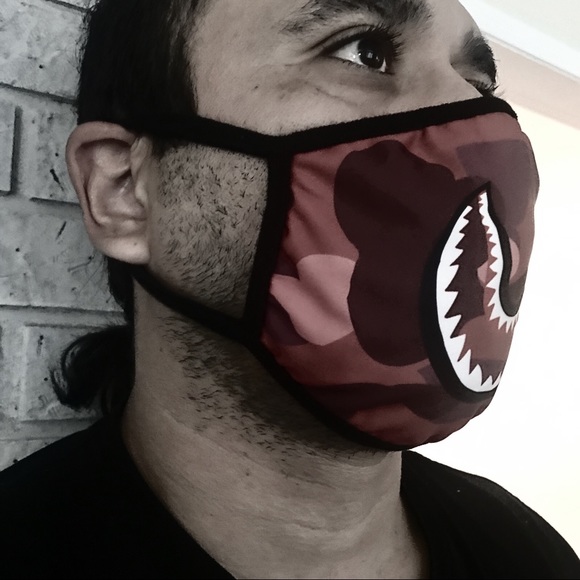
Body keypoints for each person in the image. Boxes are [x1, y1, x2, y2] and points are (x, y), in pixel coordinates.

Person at [1, 0, 579, 578]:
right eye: (364, 52)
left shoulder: (532, 554)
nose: (477, 116)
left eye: (479, 84)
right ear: (126, 191)